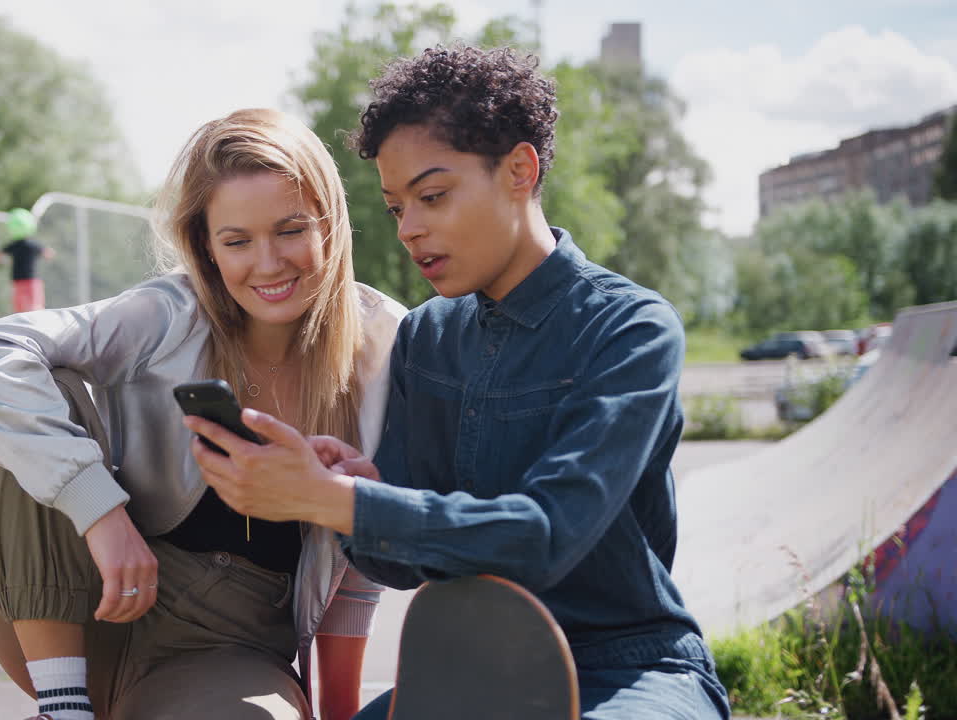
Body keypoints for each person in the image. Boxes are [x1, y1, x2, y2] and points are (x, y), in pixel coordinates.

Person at [184, 46, 732, 720]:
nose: (410, 229)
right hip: (464, 669)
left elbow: (547, 535)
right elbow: (399, 566)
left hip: (628, 670)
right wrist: (361, 486)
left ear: (519, 172)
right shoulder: (429, 335)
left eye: (433, 196)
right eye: (394, 208)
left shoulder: (631, 329)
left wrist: (343, 501)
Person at [0, 108, 406, 720]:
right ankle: (63, 709)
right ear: (207, 249)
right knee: (36, 388)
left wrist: (339, 713)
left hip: (224, 651)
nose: (266, 264)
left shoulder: (382, 346)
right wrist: (99, 511)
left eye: (290, 230)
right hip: (79, 610)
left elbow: (354, 571)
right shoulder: (168, 316)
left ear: (331, 226)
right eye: (236, 241)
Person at [0, 208, 56, 313]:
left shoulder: (13, 245)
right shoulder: (33, 244)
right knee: (36, 307)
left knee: (19, 309)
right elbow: (48, 253)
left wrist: (0, 263)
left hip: (17, 281)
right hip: (31, 280)